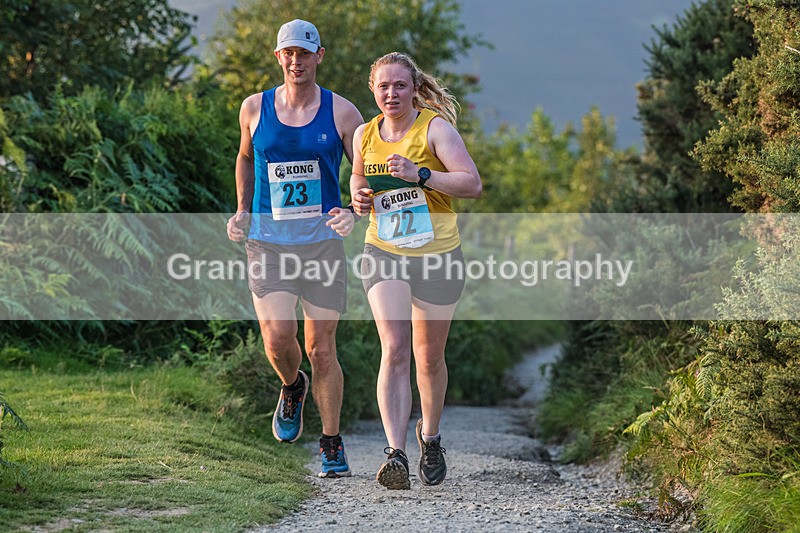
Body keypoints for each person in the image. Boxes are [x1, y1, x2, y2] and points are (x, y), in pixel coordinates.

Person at [226, 19, 363, 479]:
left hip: (322, 245)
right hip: (268, 242)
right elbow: (245, 157)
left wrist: (353, 210)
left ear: (319, 56)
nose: (296, 61)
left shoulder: (343, 113)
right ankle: (291, 385)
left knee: (321, 349)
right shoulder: (254, 107)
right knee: (278, 338)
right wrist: (242, 209)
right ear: (278, 56)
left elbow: (365, 173)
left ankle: (331, 443)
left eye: (305, 53)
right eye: (289, 53)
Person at [350, 52, 482, 489]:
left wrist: (421, 174)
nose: (391, 93)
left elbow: (471, 183)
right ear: (373, 89)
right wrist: (360, 198)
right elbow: (358, 179)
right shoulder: (365, 134)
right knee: (394, 348)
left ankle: (430, 436)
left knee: (428, 358)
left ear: (414, 89)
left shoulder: (435, 129)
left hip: (437, 255)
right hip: (383, 249)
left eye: (400, 85)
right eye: (383, 86)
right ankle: (396, 454)